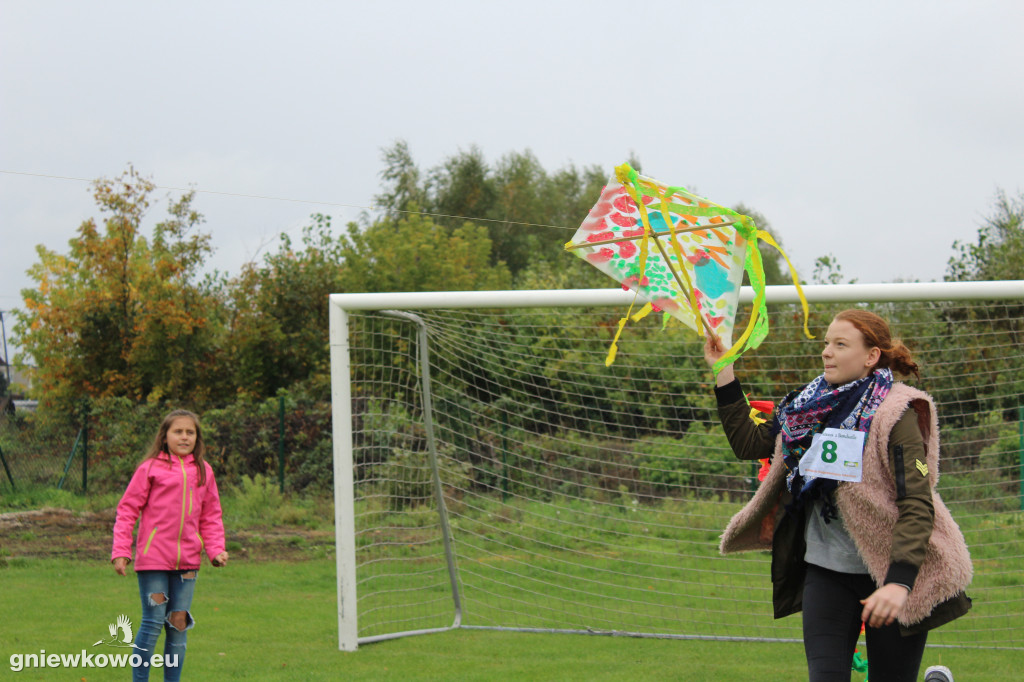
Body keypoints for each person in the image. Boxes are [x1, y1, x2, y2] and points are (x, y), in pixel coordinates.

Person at [704, 309, 971, 682]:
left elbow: (916, 504)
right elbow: (749, 442)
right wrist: (723, 369)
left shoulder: (898, 411)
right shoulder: (806, 407)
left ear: (871, 356)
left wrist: (898, 582)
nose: (827, 352)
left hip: (893, 571)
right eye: (827, 343)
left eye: (840, 344)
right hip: (827, 573)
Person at [111, 409, 228, 682]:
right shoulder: (150, 468)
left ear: (197, 438)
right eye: (178, 431)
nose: (184, 437)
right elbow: (127, 510)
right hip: (153, 563)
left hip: (187, 566)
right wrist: (121, 551)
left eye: (190, 432)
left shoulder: (203, 470)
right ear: (165, 437)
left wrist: (215, 549)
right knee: (153, 622)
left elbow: (211, 515)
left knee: (178, 624)